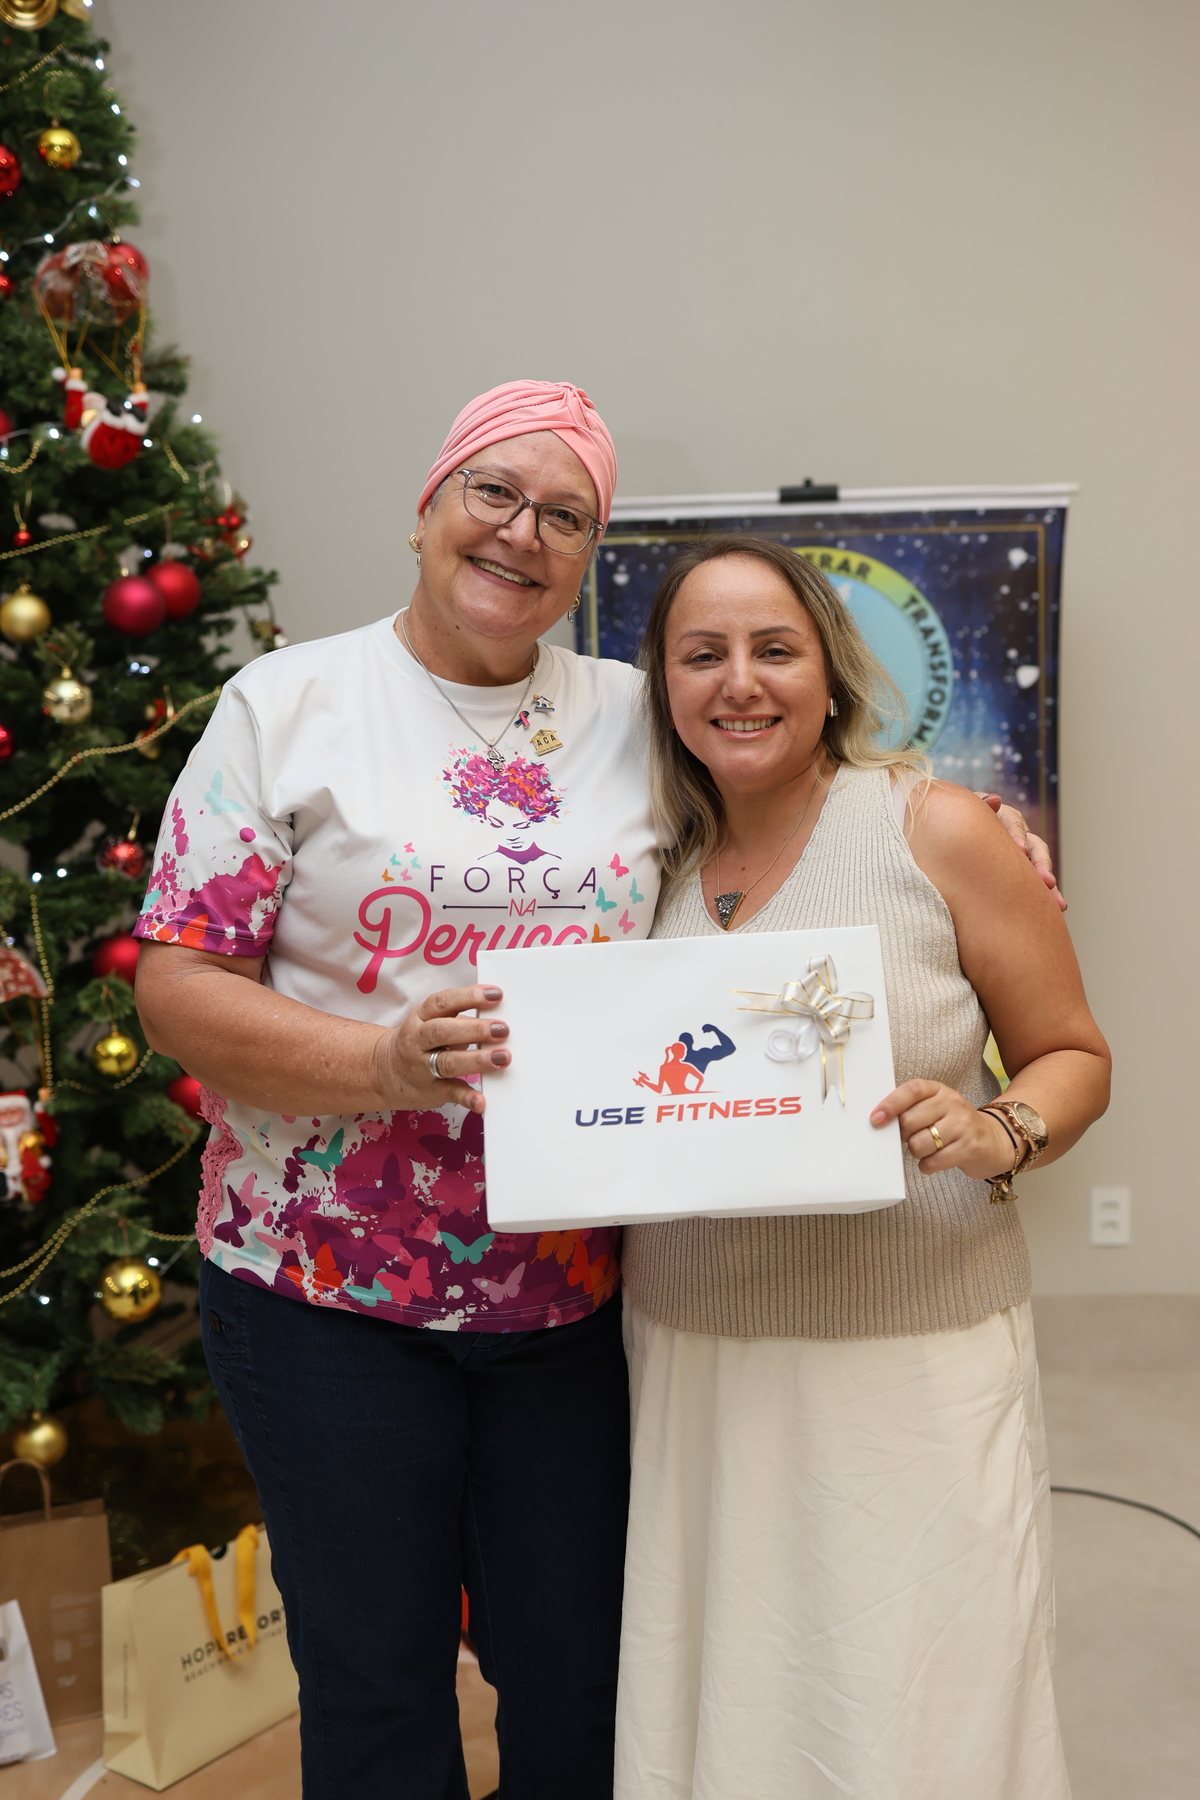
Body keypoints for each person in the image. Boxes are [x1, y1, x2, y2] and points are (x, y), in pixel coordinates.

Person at [133, 382, 1057, 1799]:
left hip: (572, 1303)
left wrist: (977, 825)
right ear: (426, 507)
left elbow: (803, 794)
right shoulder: (290, 705)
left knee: (582, 1686)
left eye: (565, 515)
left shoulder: (636, 714)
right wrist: (381, 1063)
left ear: (590, 556)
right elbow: (177, 986)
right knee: (377, 1686)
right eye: (492, 492)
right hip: (324, 1294)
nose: (521, 532)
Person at [615, 535, 1110, 1800]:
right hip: (695, 1350)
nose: (740, 682)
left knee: (918, 1693)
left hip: (911, 1347)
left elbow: (1071, 1054)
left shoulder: (935, 829)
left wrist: (1001, 1131)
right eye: (703, 654)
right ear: (663, 685)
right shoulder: (644, 859)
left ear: (830, 674)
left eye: (774, 650)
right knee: (734, 1689)